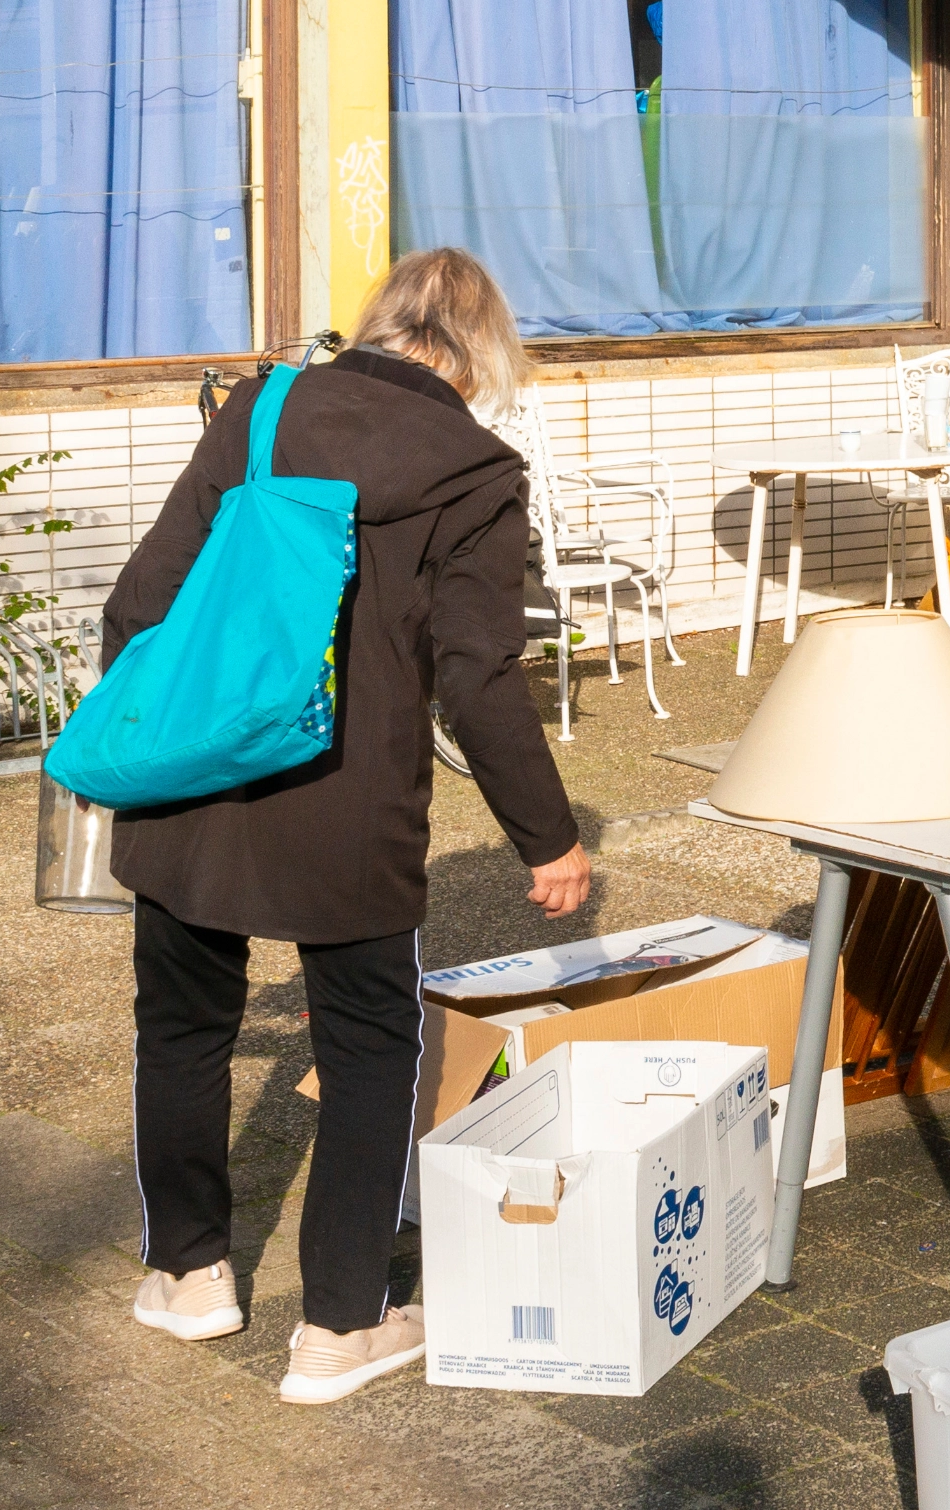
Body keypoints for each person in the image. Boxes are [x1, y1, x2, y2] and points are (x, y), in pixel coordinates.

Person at [105, 249, 593, 1404]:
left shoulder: (262, 407)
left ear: (379, 325)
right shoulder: (478, 471)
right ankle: (338, 1329)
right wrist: (549, 837)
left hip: (195, 784)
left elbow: (142, 597)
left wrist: (139, 738)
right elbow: (478, 680)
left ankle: (192, 1277)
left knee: (181, 1029)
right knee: (370, 1050)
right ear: (481, 354)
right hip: (351, 805)